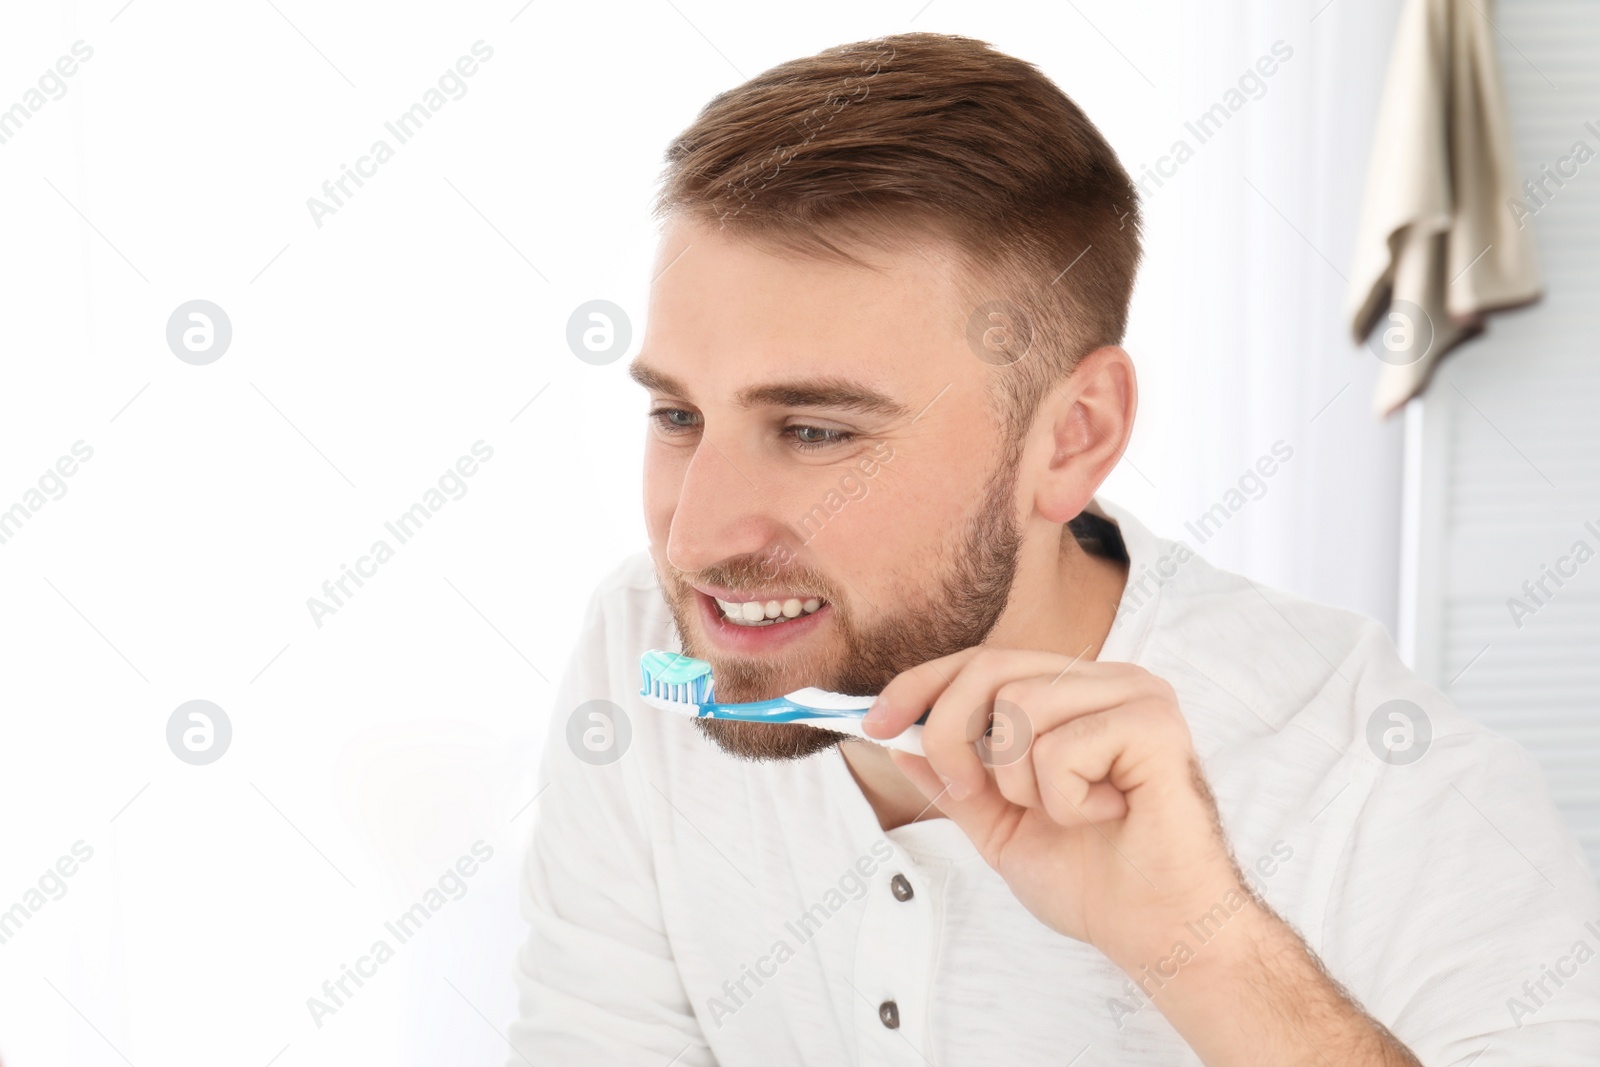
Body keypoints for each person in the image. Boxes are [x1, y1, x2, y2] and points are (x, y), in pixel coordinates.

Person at [504, 31, 1600, 1065]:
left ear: (1071, 437)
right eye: (678, 416)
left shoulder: (1377, 780)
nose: (695, 536)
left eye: (816, 431)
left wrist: (1205, 943)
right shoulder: (646, 646)